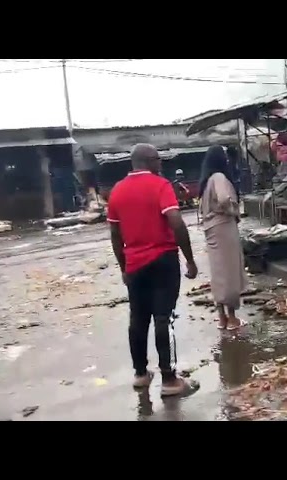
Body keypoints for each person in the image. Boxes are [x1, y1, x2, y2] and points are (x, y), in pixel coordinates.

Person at [107, 143, 199, 397]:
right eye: (158, 160)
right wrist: (189, 259)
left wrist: (124, 267)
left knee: (137, 319)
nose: (161, 164)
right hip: (163, 261)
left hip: (135, 265)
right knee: (163, 318)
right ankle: (169, 380)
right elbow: (176, 222)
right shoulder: (161, 186)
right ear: (149, 161)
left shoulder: (117, 191)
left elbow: (115, 235)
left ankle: (140, 374)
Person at [199, 145, 248, 331]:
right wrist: (234, 211)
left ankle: (222, 318)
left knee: (218, 273)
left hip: (211, 229)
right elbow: (224, 199)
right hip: (224, 228)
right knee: (230, 272)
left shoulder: (206, 181)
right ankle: (233, 318)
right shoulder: (219, 177)